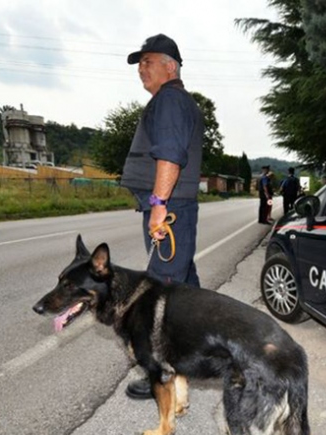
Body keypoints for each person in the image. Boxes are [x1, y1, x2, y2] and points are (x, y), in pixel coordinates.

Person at [120, 33, 205, 400]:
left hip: (169, 210)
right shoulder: (171, 101)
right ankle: (207, 350)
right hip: (173, 208)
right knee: (186, 289)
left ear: (170, 66)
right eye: (139, 62)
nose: (141, 68)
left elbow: (170, 155)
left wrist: (158, 205)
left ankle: (162, 373)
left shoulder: (170, 100)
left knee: (161, 295)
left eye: (148, 61)